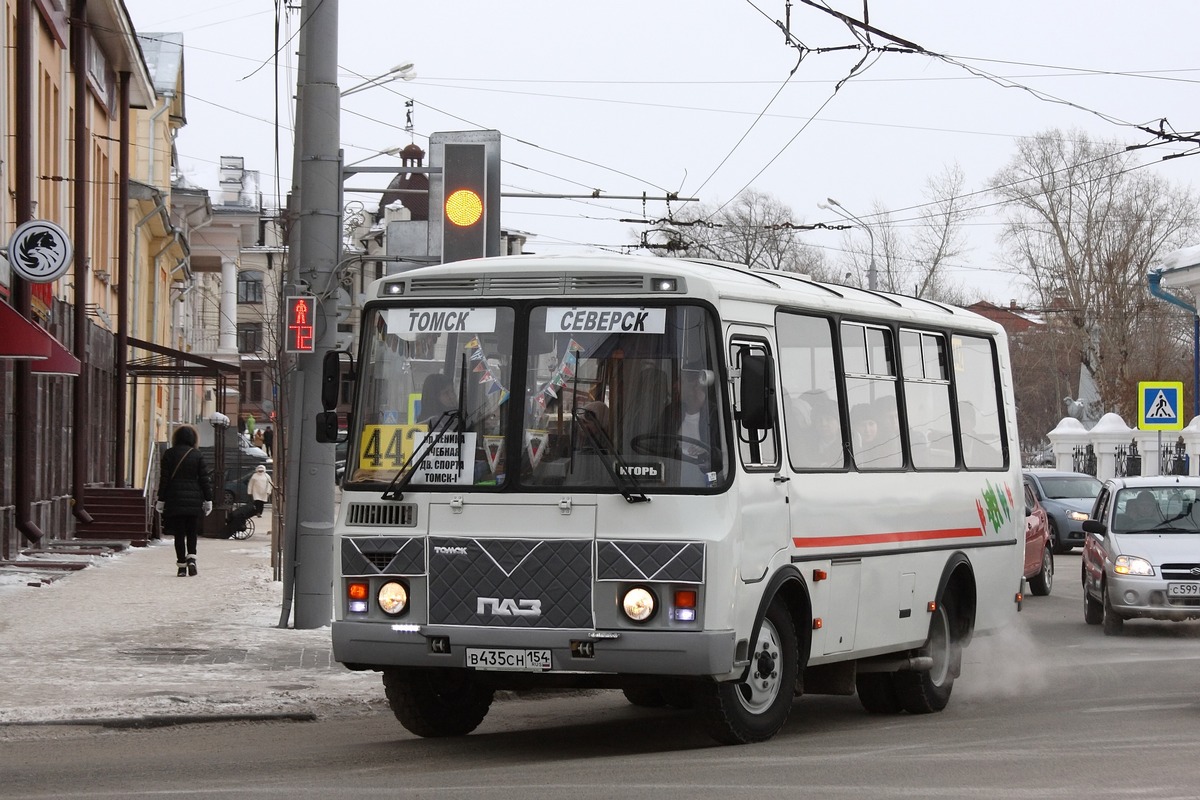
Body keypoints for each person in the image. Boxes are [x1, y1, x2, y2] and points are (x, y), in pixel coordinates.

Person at [156, 424, 213, 577]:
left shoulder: (169, 454)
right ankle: (192, 559)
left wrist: (161, 499)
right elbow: (204, 479)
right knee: (192, 532)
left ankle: (181, 566)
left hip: (175, 499)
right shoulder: (197, 455)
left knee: (179, 534)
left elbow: (164, 479)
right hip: (194, 499)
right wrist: (208, 499)